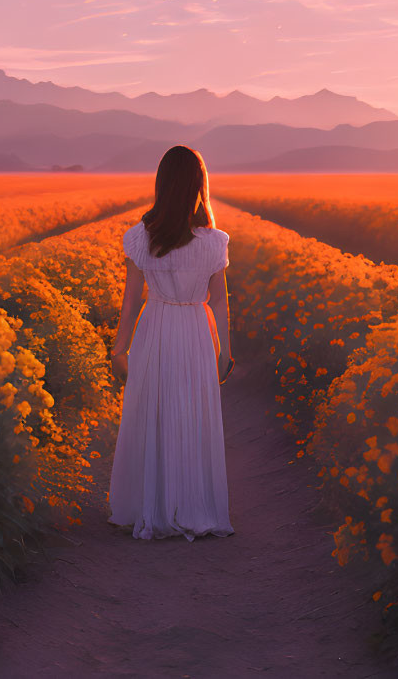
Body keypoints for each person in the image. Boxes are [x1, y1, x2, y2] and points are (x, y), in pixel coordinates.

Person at [106, 145, 235, 542]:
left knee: (153, 413)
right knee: (191, 414)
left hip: (155, 326)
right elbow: (218, 301)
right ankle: (192, 506)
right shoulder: (213, 242)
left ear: (161, 185)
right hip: (196, 330)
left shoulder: (140, 238)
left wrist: (119, 347)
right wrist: (225, 351)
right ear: (200, 186)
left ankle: (153, 506)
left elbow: (130, 301)